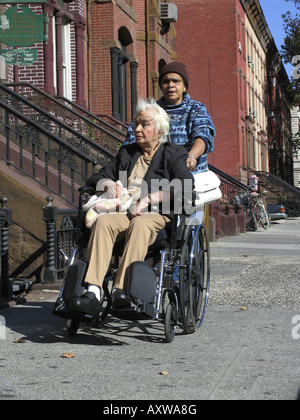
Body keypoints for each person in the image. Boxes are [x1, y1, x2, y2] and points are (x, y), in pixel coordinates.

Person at [68, 98, 194, 315]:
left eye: (144, 124)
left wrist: (149, 199)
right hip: (125, 211)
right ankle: (93, 291)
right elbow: (97, 177)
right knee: (104, 221)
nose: (137, 129)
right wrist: (107, 183)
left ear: (159, 128)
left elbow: (185, 185)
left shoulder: (173, 153)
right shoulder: (128, 153)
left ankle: (121, 290)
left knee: (141, 224)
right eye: (136, 124)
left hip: (156, 215)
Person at [126, 62, 216, 174]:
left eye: (176, 81)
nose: (170, 85)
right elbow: (132, 138)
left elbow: (203, 137)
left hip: (192, 174)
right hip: (156, 174)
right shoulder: (150, 111)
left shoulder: (196, 108)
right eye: (166, 81)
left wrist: (191, 157)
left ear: (184, 86)